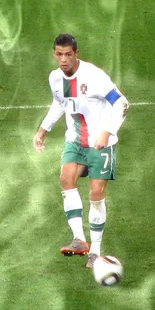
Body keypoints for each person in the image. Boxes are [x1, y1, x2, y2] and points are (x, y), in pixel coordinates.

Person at [33, 33, 129, 269]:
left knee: (96, 195)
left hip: (101, 143)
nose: (63, 59)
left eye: (68, 54)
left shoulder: (94, 77)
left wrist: (107, 131)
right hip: (75, 140)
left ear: (76, 53)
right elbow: (60, 102)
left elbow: (122, 103)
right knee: (66, 179)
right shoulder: (55, 78)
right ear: (54, 54)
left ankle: (95, 252)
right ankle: (79, 239)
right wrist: (44, 129)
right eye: (59, 54)